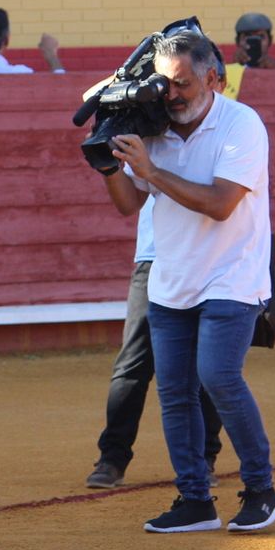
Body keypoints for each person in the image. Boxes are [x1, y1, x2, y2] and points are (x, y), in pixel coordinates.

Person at [99, 24, 275, 533]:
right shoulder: (152, 124)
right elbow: (129, 205)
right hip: (172, 277)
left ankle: (262, 490)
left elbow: (221, 204)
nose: (170, 94)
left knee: (218, 376)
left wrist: (151, 171)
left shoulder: (241, 124)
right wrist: (109, 164)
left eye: (181, 84)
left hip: (232, 275)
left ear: (215, 80)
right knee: (175, 392)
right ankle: (195, 499)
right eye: (163, 83)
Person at [85, 196, 227, 490]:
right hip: (155, 257)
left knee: (207, 365)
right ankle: (112, 458)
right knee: (133, 364)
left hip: (209, 258)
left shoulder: (220, 147)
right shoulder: (150, 147)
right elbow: (127, 195)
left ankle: (204, 458)